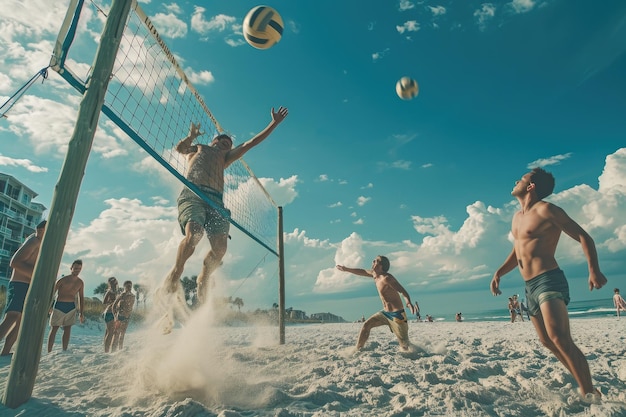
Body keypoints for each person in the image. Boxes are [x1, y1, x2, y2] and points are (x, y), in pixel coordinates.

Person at [490, 167, 607, 399]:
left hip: (548, 280)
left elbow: (584, 236)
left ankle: (589, 393)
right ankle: (588, 387)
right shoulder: (517, 217)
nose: (516, 181)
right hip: (529, 286)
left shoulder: (547, 210)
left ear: (531, 186)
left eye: (521, 179)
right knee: (547, 341)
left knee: (560, 338)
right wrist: (499, 273)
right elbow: (518, 251)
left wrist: (593, 269)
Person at [164, 106, 289, 304]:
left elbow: (250, 143)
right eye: (222, 142)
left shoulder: (225, 157)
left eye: (228, 144)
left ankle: (204, 277)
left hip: (216, 202)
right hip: (194, 193)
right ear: (213, 141)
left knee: (220, 249)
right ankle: (176, 272)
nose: (225, 145)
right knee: (194, 234)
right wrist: (191, 136)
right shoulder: (198, 149)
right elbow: (179, 149)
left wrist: (273, 123)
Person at [336, 255, 416, 351]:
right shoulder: (374, 274)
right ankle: (358, 349)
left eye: (376, 260)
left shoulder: (387, 278)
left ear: (381, 265)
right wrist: (346, 269)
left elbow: (402, 291)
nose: (373, 261)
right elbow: (362, 271)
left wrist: (408, 302)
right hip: (385, 313)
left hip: (397, 316)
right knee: (366, 325)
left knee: (405, 346)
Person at [0, 220, 46, 356]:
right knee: (12, 316)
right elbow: (15, 262)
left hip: (28, 286)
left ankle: (5, 352)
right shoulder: (34, 241)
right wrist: (37, 275)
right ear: (41, 230)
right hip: (19, 284)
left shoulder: (41, 244)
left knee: (20, 322)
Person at [47, 259, 85, 353]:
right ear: (71, 268)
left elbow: (81, 298)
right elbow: (51, 294)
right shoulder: (62, 280)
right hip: (59, 305)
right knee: (54, 328)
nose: (77, 270)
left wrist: (81, 313)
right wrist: (49, 306)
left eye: (79, 269)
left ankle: (64, 349)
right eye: (75, 268)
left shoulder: (80, 282)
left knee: (67, 329)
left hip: (71, 307)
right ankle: (49, 351)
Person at [111, 280, 135, 352]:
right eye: (127, 286)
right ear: (124, 287)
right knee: (116, 335)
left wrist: (129, 314)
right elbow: (113, 306)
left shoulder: (133, 296)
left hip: (127, 317)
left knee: (123, 334)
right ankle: (112, 351)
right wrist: (115, 316)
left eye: (130, 286)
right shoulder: (121, 295)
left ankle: (120, 350)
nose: (129, 287)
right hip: (119, 317)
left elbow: (131, 307)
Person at [102, 277, 119, 352]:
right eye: (111, 282)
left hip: (113, 313)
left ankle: (107, 350)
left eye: (114, 281)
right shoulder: (109, 291)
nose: (113, 283)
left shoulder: (118, 291)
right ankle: (106, 351)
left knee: (109, 331)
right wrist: (113, 302)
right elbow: (104, 302)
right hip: (109, 312)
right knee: (110, 332)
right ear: (109, 283)